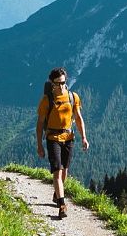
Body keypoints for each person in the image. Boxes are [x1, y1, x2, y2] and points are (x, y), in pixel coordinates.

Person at [36, 67, 89, 218]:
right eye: (57, 83)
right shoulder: (47, 100)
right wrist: (39, 144)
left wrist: (84, 137)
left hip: (68, 137)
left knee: (65, 170)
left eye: (63, 83)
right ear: (51, 83)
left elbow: (78, 118)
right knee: (57, 171)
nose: (61, 86)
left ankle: (56, 194)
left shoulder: (73, 97)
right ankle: (62, 204)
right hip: (52, 138)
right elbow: (40, 124)